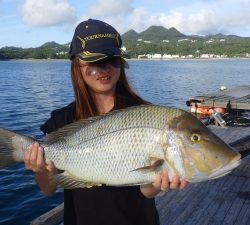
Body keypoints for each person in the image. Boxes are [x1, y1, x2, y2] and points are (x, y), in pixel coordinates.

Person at [24, 19, 188, 225]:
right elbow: (47, 189)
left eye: (112, 60)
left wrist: (158, 183)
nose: (104, 69)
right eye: (95, 62)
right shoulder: (61, 120)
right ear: (77, 65)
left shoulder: (145, 114)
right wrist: (40, 169)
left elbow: (145, 192)